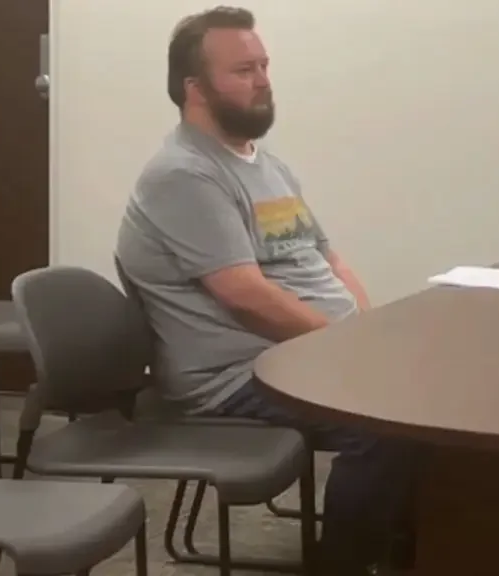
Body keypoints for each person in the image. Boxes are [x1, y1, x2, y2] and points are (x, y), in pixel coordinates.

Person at [115, 6, 413, 575]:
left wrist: (366, 330)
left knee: (428, 393)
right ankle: (344, 566)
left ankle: (409, 551)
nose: (263, 80)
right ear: (195, 89)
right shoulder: (184, 175)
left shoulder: (266, 165)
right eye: (244, 70)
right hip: (233, 377)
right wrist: (346, 347)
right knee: (383, 424)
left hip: (305, 354)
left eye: (264, 65)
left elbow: (327, 258)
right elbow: (245, 296)